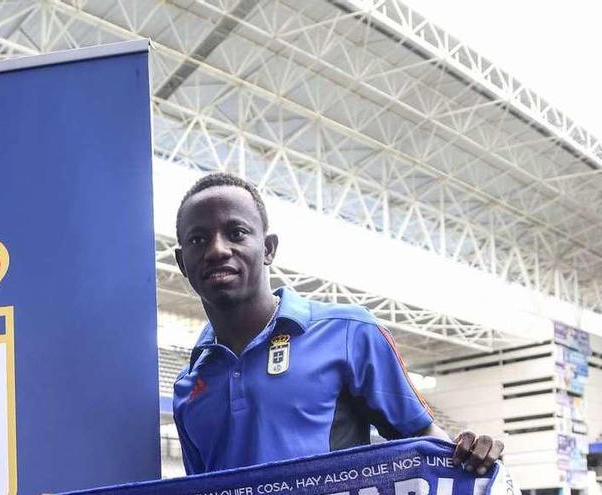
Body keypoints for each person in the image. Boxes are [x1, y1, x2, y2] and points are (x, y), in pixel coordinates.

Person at [172, 172, 504, 476]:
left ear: (268, 248)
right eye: (198, 239)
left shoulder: (349, 332)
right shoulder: (189, 386)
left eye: (237, 233)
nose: (217, 249)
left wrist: (470, 458)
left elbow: (424, 439)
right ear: (181, 262)